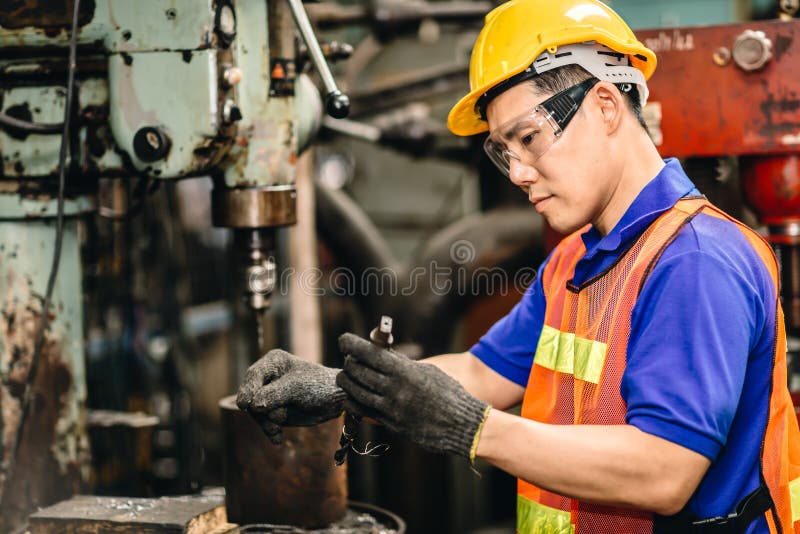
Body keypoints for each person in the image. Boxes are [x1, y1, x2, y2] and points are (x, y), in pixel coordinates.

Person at [236, 0, 800, 531]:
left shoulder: (695, 261)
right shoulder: (575, 261)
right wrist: (341, 389)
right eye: (503, 151)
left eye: (529, 138)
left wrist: (472, 429)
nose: (518, 172)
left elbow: (664, 470)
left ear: (605, 106)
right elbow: (483, 375)